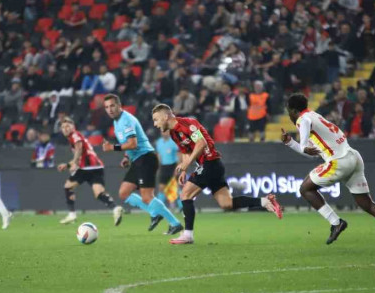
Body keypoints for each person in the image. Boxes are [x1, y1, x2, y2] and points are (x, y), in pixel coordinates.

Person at [281, 93, 375, 247]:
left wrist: (299, 145)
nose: (289, 115)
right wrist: (291, 143)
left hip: (339, 162)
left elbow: (305, 143)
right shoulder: (314, 115)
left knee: (305, 189)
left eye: (288, 111)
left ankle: (336, 223)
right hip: (353, 157)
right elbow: (312, 154)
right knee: (366, 203)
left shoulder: (303, 119)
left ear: (294, 110)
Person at [151, 104, 283, 245]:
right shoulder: (173, 133)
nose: (155, 124)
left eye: (156, 119)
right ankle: (264, 202)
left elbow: (201, 143)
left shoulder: (188, 124)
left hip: (210, 163)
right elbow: (186, 151)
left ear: (166, 117)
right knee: (226, 204)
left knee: (185, 195)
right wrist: (184, 169)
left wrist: (187, 163)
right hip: (211, 166)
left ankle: (188, 234)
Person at [101, 94, 183, 234]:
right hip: (138, 160)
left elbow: (133, 144)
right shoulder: (116, 122)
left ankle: (175, 223)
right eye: (107, 107)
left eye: (112, 106)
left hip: (146, 159)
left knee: (147, 196)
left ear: (119, 106)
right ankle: (154, 213)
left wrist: (112, 148)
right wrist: (126, 156)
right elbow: (128, 144)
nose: (110, 109)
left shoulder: (126, 120)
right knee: (124, 193)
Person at [57, 118, 124, 225]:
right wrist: (72, 164)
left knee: (68, 186)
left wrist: (72, 163)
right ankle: (115, 208)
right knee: (99, 193)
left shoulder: (75, 135)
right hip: (97, 167)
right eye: (63, 127)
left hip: (87, 168)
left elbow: (79, 149)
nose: (65, 129)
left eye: (67, 126)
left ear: (73, 127)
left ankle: (72, 214)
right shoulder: (74, 137)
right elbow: (81, 153)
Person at [155, 132, 181, 210]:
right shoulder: (159, 142)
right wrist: (158, 167)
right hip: (163, 167)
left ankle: (182, 207)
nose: (164, 133)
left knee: (176, 188)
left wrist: (178, 168)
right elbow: (159, 155)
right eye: (162, 131)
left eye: (165, 131)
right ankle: (159, 207)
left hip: (173, 166)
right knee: (161, 188)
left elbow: (179, 155)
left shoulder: (174, 141)